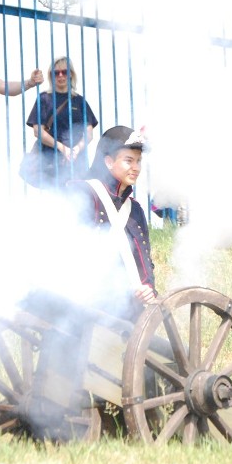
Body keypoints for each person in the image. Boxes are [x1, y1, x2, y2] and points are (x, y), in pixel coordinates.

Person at [68, 125, 157, 319]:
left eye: (138, 161)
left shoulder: (135, 210)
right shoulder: (83, 193)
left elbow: (143, 258)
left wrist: (147, 288)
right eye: (128, 161)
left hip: (125, 308)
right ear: (109, 162)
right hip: (86, 303)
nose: (136, 167)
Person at [25, 57, 99, 189]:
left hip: (76, 163)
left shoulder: (80, 101)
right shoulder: (44, 99)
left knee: (78, 202)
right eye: (56, 72)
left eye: (64, 72)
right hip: (49, 162)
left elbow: (89, 134)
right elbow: (38, 131)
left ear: (70, 74)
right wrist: (62, 148)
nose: (60, 76)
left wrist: (75, 150)